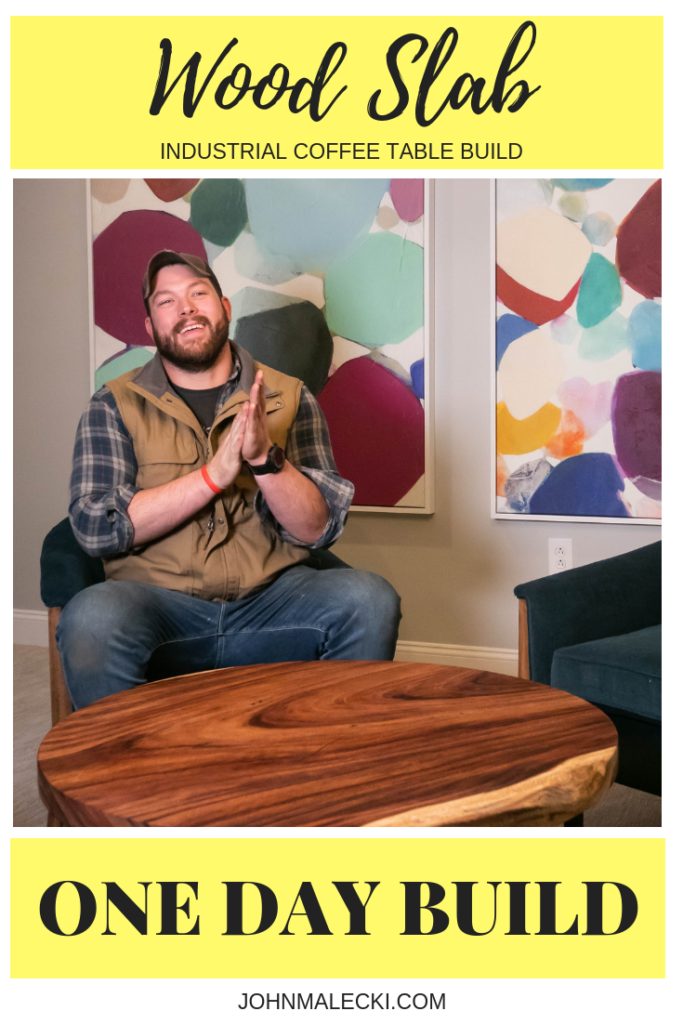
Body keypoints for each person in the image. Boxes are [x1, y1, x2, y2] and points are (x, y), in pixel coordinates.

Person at [58, 250, 401, 709]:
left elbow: (317, 529)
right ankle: (129, 757)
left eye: (198, 293)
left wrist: (264, 460)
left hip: (273, 603)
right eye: (166, 301)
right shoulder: (113, 404)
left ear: (224, 307)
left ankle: (331, 747)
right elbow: (95, 527)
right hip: (158, 606)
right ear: (150, 327)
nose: (186, 309)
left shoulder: (291, 396)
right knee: (92, 618)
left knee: (370, 599)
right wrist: (212, 477)